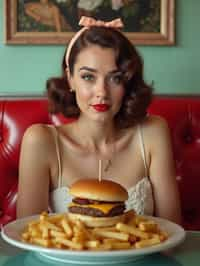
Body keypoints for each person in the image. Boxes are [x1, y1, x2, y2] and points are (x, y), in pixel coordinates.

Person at [17, 16, 182, 224]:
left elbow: (172, 231)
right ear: (70, 78)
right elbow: (27, 236)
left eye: (115, 78)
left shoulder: (153, 132)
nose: (102, 92)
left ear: (128, 82)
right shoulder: (40, 140)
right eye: (88, 77)